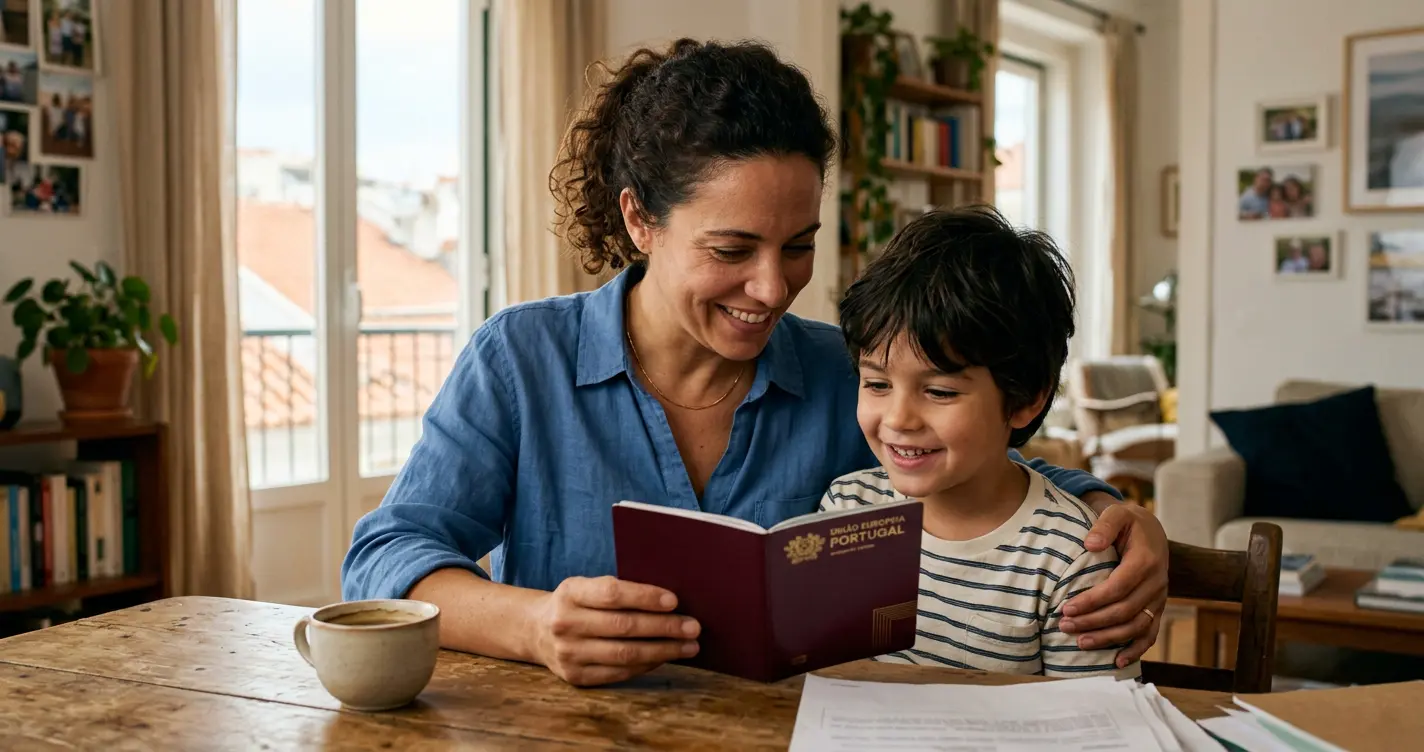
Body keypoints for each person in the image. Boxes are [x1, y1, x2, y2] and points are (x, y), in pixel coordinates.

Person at [341, 39, 1169, 688]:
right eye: (733, 248)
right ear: (640, 220)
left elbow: (976, 455)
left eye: (799, 246)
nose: (774, 289)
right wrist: (532, 625)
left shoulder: (846, 375)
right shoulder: (522, 358)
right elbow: (385, 559)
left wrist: (1112, 511)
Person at [823, 207, 1136, 677]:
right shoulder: (848, 508)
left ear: (1026, 400)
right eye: (878, 384)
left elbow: (1094, 720)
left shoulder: (1067, 555)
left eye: (940, 392)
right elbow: (825, 672)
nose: (899, 418)